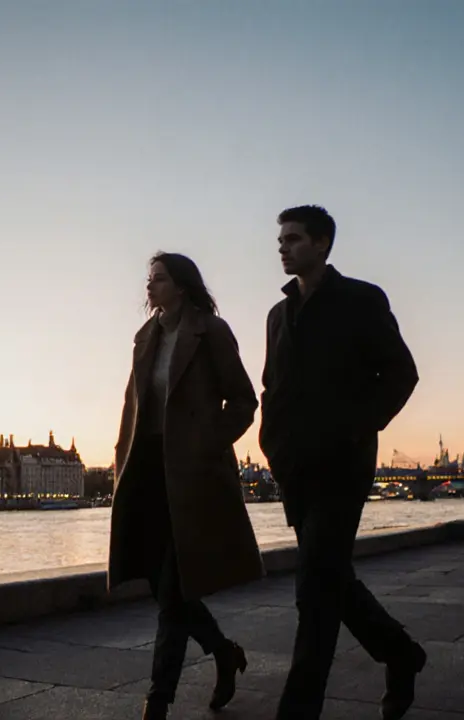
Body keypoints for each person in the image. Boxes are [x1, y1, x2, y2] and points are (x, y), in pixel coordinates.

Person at [259, 206, 426, 720]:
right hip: (296, 470)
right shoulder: (277, 314)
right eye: (280, 239)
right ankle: (400, 653)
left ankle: (298, 711)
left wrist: (358, 427)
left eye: (293, 238)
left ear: (323, 244)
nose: (282, 246)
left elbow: (401, 373)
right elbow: (273, 388)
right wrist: (273, 446)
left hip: (343, 465)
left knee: (313, 588)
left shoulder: (361, 299)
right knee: (331, 579)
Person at [108, 252, 265, 720]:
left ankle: (157, 701)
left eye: (158, 279)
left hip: (192, 475)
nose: (149, 287)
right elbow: (132, 409)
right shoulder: (146, 336)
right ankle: (222, 650)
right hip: (148, 473)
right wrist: (121, 463)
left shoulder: (210, 331)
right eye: (148, 279)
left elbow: (242, 400)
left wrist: (206, 443)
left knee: (174, 592)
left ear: (182, 285)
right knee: (164, 586)